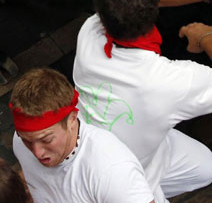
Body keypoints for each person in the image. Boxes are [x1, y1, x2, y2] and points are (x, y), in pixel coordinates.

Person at [73, 0, 212, 202]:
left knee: (205, 167)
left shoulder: (90, 32)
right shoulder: (165, 83)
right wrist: (208, 37)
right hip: (118, 178)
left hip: (105, 134)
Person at [10, 68, 154, 203]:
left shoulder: (111, 172)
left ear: (72, 119)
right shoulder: (19, 141)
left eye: (46, 140)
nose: (37, 153)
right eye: (26, 140)